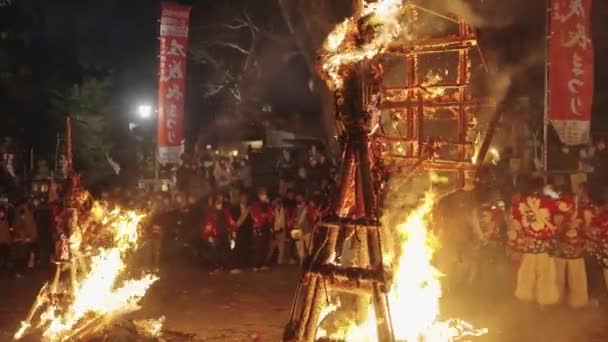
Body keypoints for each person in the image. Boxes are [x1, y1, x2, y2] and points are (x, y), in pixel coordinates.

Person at [511, 180, 569, 307]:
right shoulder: (546, 202)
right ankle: (543, 301)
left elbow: (515, 224)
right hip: (540, 245)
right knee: (543, 274)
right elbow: (566, 207)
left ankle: (529, 301)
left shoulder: (522, 204)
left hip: (535, 245)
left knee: (530, 274)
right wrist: (554, 194)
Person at [551, 191, 591, 308]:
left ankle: (578, 302)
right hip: (561, 250)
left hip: (576, 250)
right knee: (558, 277)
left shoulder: (583, 213)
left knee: (576, 276)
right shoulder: (557, 215)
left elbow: (586, 230)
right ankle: (557, 299)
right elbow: (555, 232)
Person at [202, 195, 236, 273]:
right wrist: (209, 235)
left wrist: (233, 230)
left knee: (226, 251)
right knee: (216, 252)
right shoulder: (211, 214)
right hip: (216, 235)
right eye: (217, 202)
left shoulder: (226, 212)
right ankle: (217, 267)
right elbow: (208, 225)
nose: (219, 204)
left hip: (224, 234)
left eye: (220, 202)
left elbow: (231, 222)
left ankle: (226, 267)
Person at [250, 188, 273, 271]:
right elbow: (255, 216)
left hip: (266, 227)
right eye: (262, 194)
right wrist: (264, 216)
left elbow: (270, 215)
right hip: (259, 227)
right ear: (259, 195)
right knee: (258, 246)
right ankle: (256, 265)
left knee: (265, 246)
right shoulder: (255, 205)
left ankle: (263, 263)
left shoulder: (268, 205)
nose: (264, 196)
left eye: (265, 194)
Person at [267, 198, 288, 265]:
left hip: (282, 230)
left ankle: (280, 261)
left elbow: (287, 220)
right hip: (275, 231)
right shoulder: (273, 211)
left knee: (281, 247)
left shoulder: (284, 211)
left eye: (279, 204)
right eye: (277, 204)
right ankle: (267, 260)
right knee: (271, 247)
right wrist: (272, 230)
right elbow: (271, 220)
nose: (278, 206)